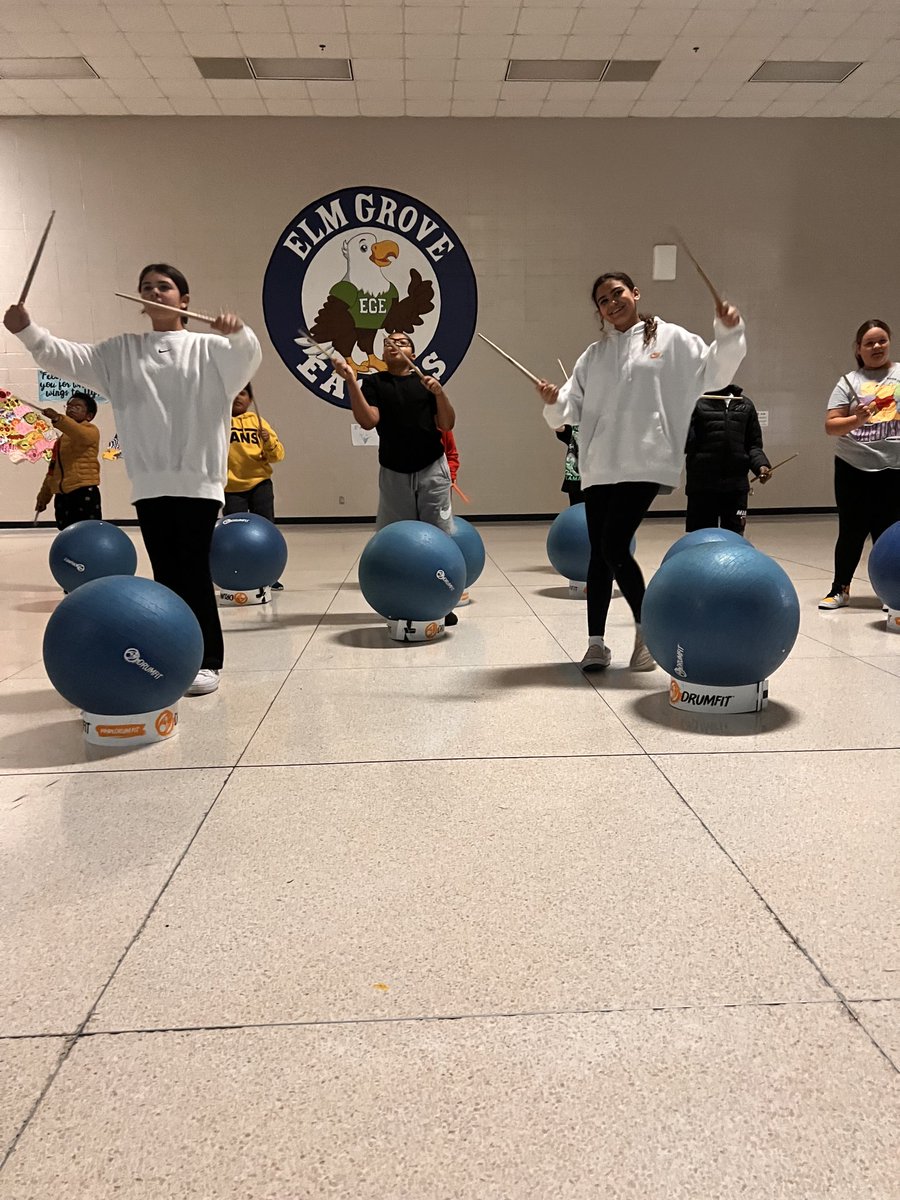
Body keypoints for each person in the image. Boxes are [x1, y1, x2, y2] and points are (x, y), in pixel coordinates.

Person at [4, 263, 262, 695]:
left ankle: (208, 660)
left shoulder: (210, 349)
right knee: (166, 573)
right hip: (148, 482)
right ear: (141, 302)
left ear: (184, 300)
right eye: (147, 288)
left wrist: (238, 332)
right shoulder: (120, 352)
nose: (154, 292)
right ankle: (175, 653)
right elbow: (64, 356)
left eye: (164, 286)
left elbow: (247, 355)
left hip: (198, 481)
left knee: (193, 571)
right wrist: (26, 330)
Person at [535, 271, 746, 672]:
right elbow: (568, 410)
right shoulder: (592, 356)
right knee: (599, 554)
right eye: (603, 300)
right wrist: (553, 401)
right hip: (598, 466)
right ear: (598, 310)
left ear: (635, 293)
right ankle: (596, 644)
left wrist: (730, 332)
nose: (612, 302)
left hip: (646, 460)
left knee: (613, 546)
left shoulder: (671, 339)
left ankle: (646, 632)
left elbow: (716, 372)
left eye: (618, 293)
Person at [335, 333, 460, 624]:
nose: (394, 344)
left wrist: (440, 393)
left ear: (413, 355)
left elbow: (447, 423)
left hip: (431, 468)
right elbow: (368, 420)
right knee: (395, 538)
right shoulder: (375, 383)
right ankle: (397, 598)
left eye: (402, 342)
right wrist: (352, 381)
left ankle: (442, 602)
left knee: (440, 538)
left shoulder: (426, 383)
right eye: (389, 341)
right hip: (393, 470)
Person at [819, 319, 900, 610]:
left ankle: (892, 592)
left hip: (895, 469)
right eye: (869, 343)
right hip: (854, 468)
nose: (877, 347)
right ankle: (840, 588)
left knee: (891, 533)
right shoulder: (848, 382)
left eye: (882, 341)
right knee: (851, 531)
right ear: (858, 349)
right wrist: (857, 420)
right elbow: (831, 426)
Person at [684, 384, 770, 535]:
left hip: (736, 486)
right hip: (702, 484)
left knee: (734, 535)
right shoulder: (697, 403)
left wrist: (761, 465)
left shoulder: (745, 404)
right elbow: (686, 444)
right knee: (701, 536)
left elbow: (753, 445)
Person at [224, 381, 285, 589]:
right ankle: (237, 573)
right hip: (230, 489)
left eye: (243, 393)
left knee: (266, 530)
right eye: (234, 393)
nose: (238, 397)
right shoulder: (218, 423)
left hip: (260, 484)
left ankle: (269, 574)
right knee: (234, 534)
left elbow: (277, 455)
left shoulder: (258, 422)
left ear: (250, 399)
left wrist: (267, 441)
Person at [35, 391, 102, 529]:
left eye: (77, 407)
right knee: (66, 532)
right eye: (69, 406)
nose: (71, 409)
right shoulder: (60, 442)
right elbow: (52, 471)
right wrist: (44, 496)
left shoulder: (90, 430)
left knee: (87, 532)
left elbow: (79, 434)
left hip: (83, 492)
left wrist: (58, 418)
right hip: (62, 495)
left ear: (89, 415)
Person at [555, 424, 583, 505]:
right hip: (577, 478)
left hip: (602, 476)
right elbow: (562, 429)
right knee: (578, 509)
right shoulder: (576, 426)